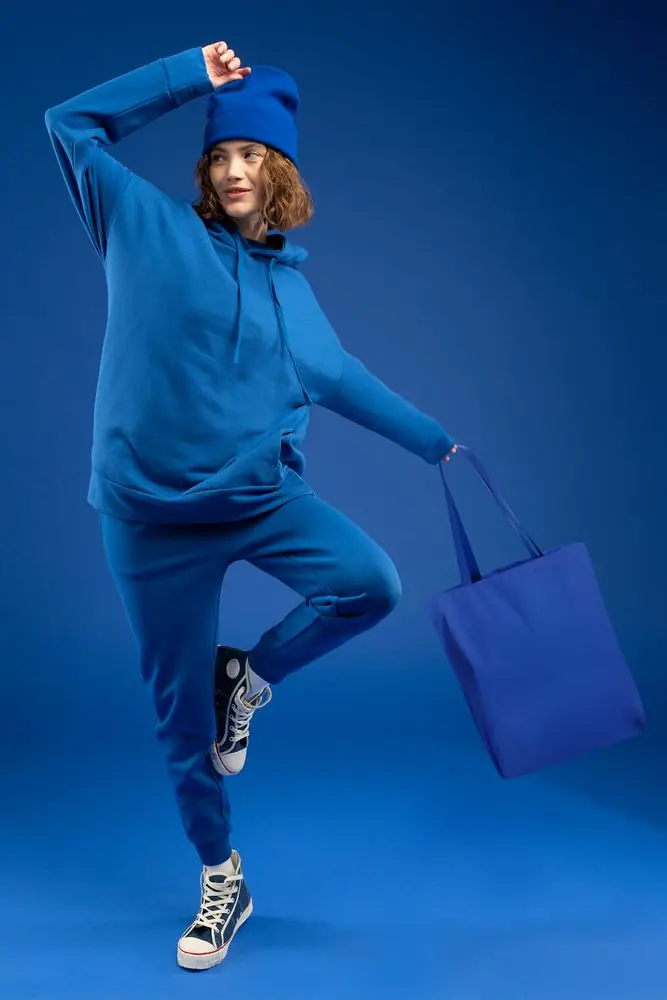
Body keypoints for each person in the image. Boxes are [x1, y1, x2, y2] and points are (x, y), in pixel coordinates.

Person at [45, 39, 459, 972]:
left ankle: (249, 677)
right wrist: (188, 75)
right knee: (180, 723)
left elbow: (343, 379)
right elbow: (67, 126)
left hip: (258, 499)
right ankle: (221, 876)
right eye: (222, 154)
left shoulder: (294, 295)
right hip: (149, 521)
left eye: (254, 156)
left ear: (282, 176)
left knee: (370, 583)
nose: (235, 170)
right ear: (204, 172)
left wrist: (437, 442)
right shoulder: (143, 227)